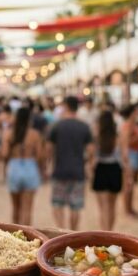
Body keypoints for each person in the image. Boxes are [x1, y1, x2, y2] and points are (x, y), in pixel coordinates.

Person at [46, 96, 93, 230]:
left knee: (57, 204)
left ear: (66, 106)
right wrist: (86, 163)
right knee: (75, 206)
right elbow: (90, 150)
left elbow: (48, 149)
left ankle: (61, 230)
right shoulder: (84, 127)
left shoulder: (56, 126)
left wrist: (47, 166)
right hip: (78, 171)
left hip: (59, 170)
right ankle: (72, 232)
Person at [3, 106, 43, 225]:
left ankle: (15, 237)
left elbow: (4, 153)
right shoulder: (35, 134)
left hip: (14, 167)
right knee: (27, 210)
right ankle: (27, 239)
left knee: (16, 208)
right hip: (30, 167)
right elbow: (40, 155)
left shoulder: (9, 133)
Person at [92, 111, 127, 231]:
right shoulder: (117, 137)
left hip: (101, 170)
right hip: (115, 169)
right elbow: (124, 156)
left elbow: (92, 157)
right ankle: (109, 231)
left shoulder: (97, 137)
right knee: (112, 206)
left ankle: (103, 232)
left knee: (102, 207)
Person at [119, 104, 138, 217]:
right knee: (128, 183)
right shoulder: (129, 125)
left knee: (131, 183)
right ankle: (128, 210)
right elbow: (125, 143)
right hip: (132, 155)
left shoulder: (131, 124)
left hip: (135, 154)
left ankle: (130, 208)